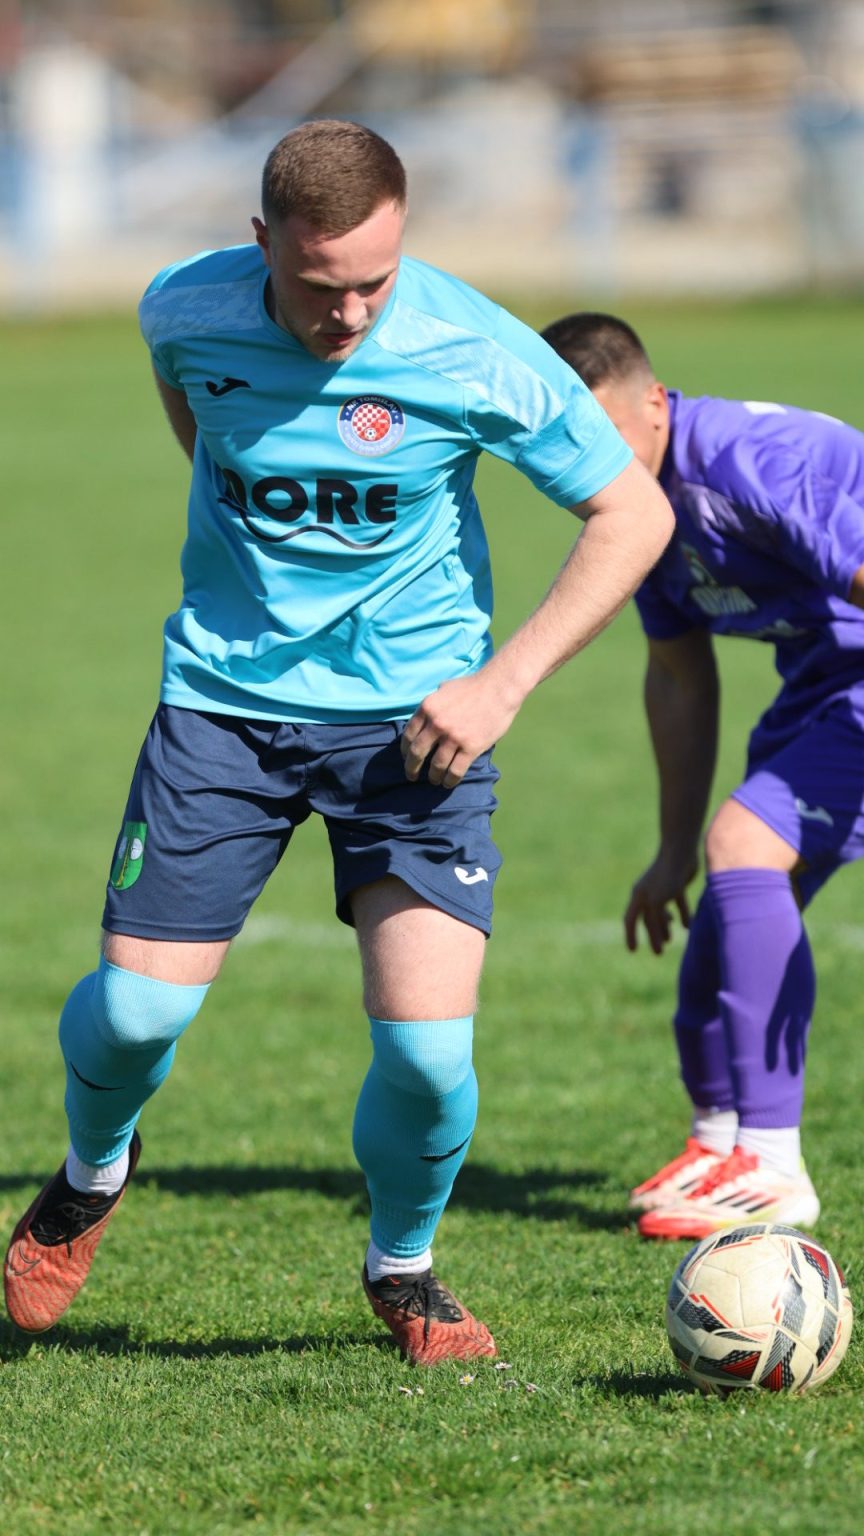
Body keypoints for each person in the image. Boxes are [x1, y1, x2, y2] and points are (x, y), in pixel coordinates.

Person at [3, 124, 672, 1363]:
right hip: (223, 705)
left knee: (427, 1055)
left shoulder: (473, 349)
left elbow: (633, 513)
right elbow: (194, 404)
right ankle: (93, 1173)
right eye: (321, 286)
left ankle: (403, 1268)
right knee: (136, 1019)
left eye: (377, 280)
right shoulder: (183, 309)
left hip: (416, 730)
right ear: (262, 243)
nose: (353, 313)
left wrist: (502, 683)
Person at [541, 309, 864, 1241]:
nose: (581, 463)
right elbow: (680, 677)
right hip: (822, 683)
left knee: (745, 846)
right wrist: (672, 847)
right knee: (726, 906)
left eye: (598, 432)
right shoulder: (636, 510)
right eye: (558, 443)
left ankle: (772, 1164)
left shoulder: (746, 465)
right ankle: (721, 1141)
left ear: (654, 402)